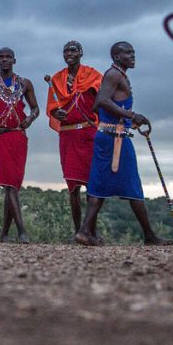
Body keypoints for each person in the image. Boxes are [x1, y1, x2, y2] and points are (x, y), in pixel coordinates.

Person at [75, 42, 169, 246]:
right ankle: (150, 236)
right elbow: (100, 101)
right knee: (133, 186)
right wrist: (131, 114)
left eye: (133, 52)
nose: (132, 55)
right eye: (127, 52)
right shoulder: (113, 75)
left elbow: (102, 105)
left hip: (111, 135)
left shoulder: (118, 75)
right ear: (117, 56)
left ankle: (84, 231)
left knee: (99, 185)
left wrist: (128, 121)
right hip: (113, 139)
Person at [0, 48, 39, 243]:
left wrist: (30, 117)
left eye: (8, 57)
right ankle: (22, 232)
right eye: (1, 57)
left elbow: (35, 108)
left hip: (18, 136)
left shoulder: (25, 83)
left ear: (14, 60)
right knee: (9, 184)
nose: (4, 60)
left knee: (13, 185)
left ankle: (4, 234)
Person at [46, 40, 102, 232]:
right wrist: (56, 113)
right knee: (72, 186)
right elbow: (52, 108)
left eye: (73, 50)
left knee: (91, 184)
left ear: (80, 53)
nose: (69, 53)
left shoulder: (92, 75)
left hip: (88, 133)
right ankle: (78, 231)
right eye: (65, 51)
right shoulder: (56, 79)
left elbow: (102, 100)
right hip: (68, 136)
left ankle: (90, 231)